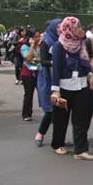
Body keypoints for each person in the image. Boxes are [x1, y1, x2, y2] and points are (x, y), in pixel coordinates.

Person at [50, 16, 93, 160]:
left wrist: (90, 74)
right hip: (64, 87)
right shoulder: (59, 46)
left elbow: (85, 61)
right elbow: (56, 69)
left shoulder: (82, 43)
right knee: (61, 118)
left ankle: (80, 151)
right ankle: (57, 144)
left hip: (81, 85)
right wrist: (56, 90)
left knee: (81, 119)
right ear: (69, 29)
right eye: (78, 27)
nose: (81, 30)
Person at [34, 19, 61, 147]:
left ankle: (58, 139)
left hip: (60, 78)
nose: (61, 29)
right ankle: (40, 134)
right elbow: (43, 61)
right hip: (47, 79)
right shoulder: (46, 42)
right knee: (50, 110)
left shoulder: (62, 41)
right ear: (52, 28)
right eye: (58, 27)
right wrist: (55, 62)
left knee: (60, 110)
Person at [21, 29, 41, 121]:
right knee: (29, 94)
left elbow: (43, 58)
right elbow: (28, 58)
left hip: (39, 72)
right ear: (31, 38)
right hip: (28, 74)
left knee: (44, 92)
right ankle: (26, 114)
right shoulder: (25, 47)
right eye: (36, 37)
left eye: (39, 36)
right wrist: (32, 45)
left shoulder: (41, 46)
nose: (38, 38)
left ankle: (50, 113)